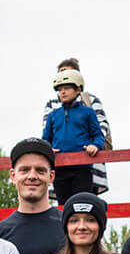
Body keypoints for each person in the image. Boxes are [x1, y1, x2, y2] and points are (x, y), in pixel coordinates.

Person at [42, 58, 116, 197]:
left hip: (88, 162)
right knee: (64, 207)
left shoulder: (90, 102)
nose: (63, 78)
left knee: (86, 203)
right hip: (60, 164)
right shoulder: (52, 108)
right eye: (61, 73)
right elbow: (46, 134)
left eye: (68, 73)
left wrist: (95, 145)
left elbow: (101, 127)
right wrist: (48, 149)